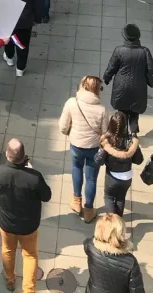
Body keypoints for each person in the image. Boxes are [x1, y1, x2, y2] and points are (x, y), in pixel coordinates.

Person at [0, 138, 52, 293]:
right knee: (30, 256)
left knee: (8, 250)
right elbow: (46, 196)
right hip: (29, 226)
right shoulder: (34, 177)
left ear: (7, 154)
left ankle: (9, 280)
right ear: (24, 156)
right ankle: (28, 289)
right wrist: (31, 171)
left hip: (6, 223)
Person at [59, 75, 108, 223]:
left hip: (76, 145)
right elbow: (105, 133)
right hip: (93, 148)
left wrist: (69, 132)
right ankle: (88, 210)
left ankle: (76, 201)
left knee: (76, 168)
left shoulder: (72, 103)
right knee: (91, 178)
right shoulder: (101, 110)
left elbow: (63, 126)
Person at [102, 24, 153, 135]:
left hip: (121, 87)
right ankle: (134, 133)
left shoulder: (119, 51)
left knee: (122, 111)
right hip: (138, 87)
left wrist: (106, 79)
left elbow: (111, 68)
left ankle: (122, 133)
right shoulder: (144, 51)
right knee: (135, 112)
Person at [94, 111, 143, 216]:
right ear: (125, 126)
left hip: (112, 177)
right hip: (127, 177)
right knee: (121, 198)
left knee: (109, 197)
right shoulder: (131, 141)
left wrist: (100, 152)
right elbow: (139, 160)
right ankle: (118, 221)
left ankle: (112, 222)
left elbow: (98, 160)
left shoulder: (108, 142)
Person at [0, 0, 42, 78]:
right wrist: (37, 18)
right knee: (23, 45)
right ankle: (20, 68)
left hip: (8, 19)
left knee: (8, 40)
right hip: (25, 21)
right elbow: (37, 3)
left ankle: (9, 57)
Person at [83, 213, 146, 293]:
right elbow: (137, 290)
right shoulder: (130, 262)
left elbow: (87, 242)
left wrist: (100, 236)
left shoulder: (90, 246)